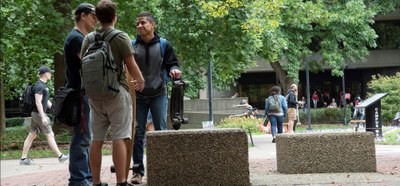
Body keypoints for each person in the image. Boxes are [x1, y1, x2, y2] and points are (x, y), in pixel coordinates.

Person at [80, 0, 145, 185]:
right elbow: (131, 65)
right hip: (117, 93)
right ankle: (121, 181)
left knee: (96, 139)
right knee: (120, 136)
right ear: (114, 17)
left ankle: (96, 182)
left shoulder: (88, 39)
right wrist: (140, 81)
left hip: (94, 94)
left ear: (97, 18)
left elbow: (82, 64)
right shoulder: (120, 37)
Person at [130, 11, 181, 184]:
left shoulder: (164, 44)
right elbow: (126, 68)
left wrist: (174, 69)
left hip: (159, 94)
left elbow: (172, 63)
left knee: (160, 131)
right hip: (138, 96)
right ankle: (137, 172)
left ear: (153, 25)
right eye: (138, 23)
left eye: (143, 23)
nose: (139, 26)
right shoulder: (131, 45)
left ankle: (162, 170)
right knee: (137, 133)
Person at [63, 3, 97, 186]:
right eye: (93, 16)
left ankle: (86, 177)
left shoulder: (79, 37)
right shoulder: (76, 38)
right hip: (80, 95)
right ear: (83, 16)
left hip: (82, 95)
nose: (96, 20)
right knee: (82, 138)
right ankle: (79, 179)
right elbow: (89, 65)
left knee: (85, 137)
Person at [20, 66, 69, 165]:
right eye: (49, 72)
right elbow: (38, 102)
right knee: (50, 134)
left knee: (32, 135)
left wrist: (54, 108)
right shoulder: (40, 86)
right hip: (38, 114)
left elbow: (44, 101)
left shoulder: (40, 85)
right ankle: (60, 156)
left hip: (36, 113)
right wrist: (43, 117)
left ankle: (23, 159)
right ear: (45, 74)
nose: (51, 74)